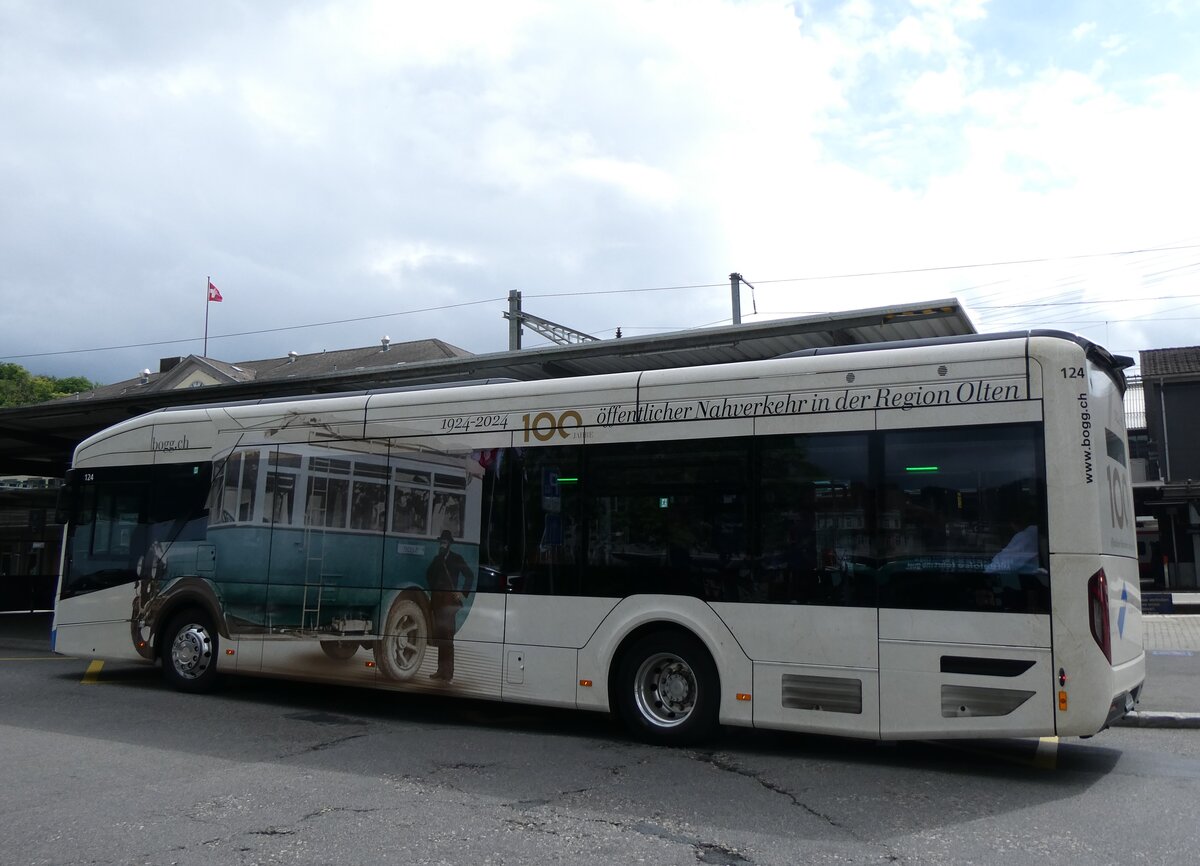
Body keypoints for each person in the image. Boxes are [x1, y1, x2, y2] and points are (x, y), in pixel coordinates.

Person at [426, 529, 474, 682]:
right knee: (441, 637)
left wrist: (461, 593)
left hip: (449, 602)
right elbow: (429, 575)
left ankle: (448, 673)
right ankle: (440, 670)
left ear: (449, 544)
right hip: (438, 602)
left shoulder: (456, 558)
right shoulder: (437, 559)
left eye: (445, 542)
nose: (442, 545)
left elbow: (469, 575)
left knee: (448, 637)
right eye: (441, 542)